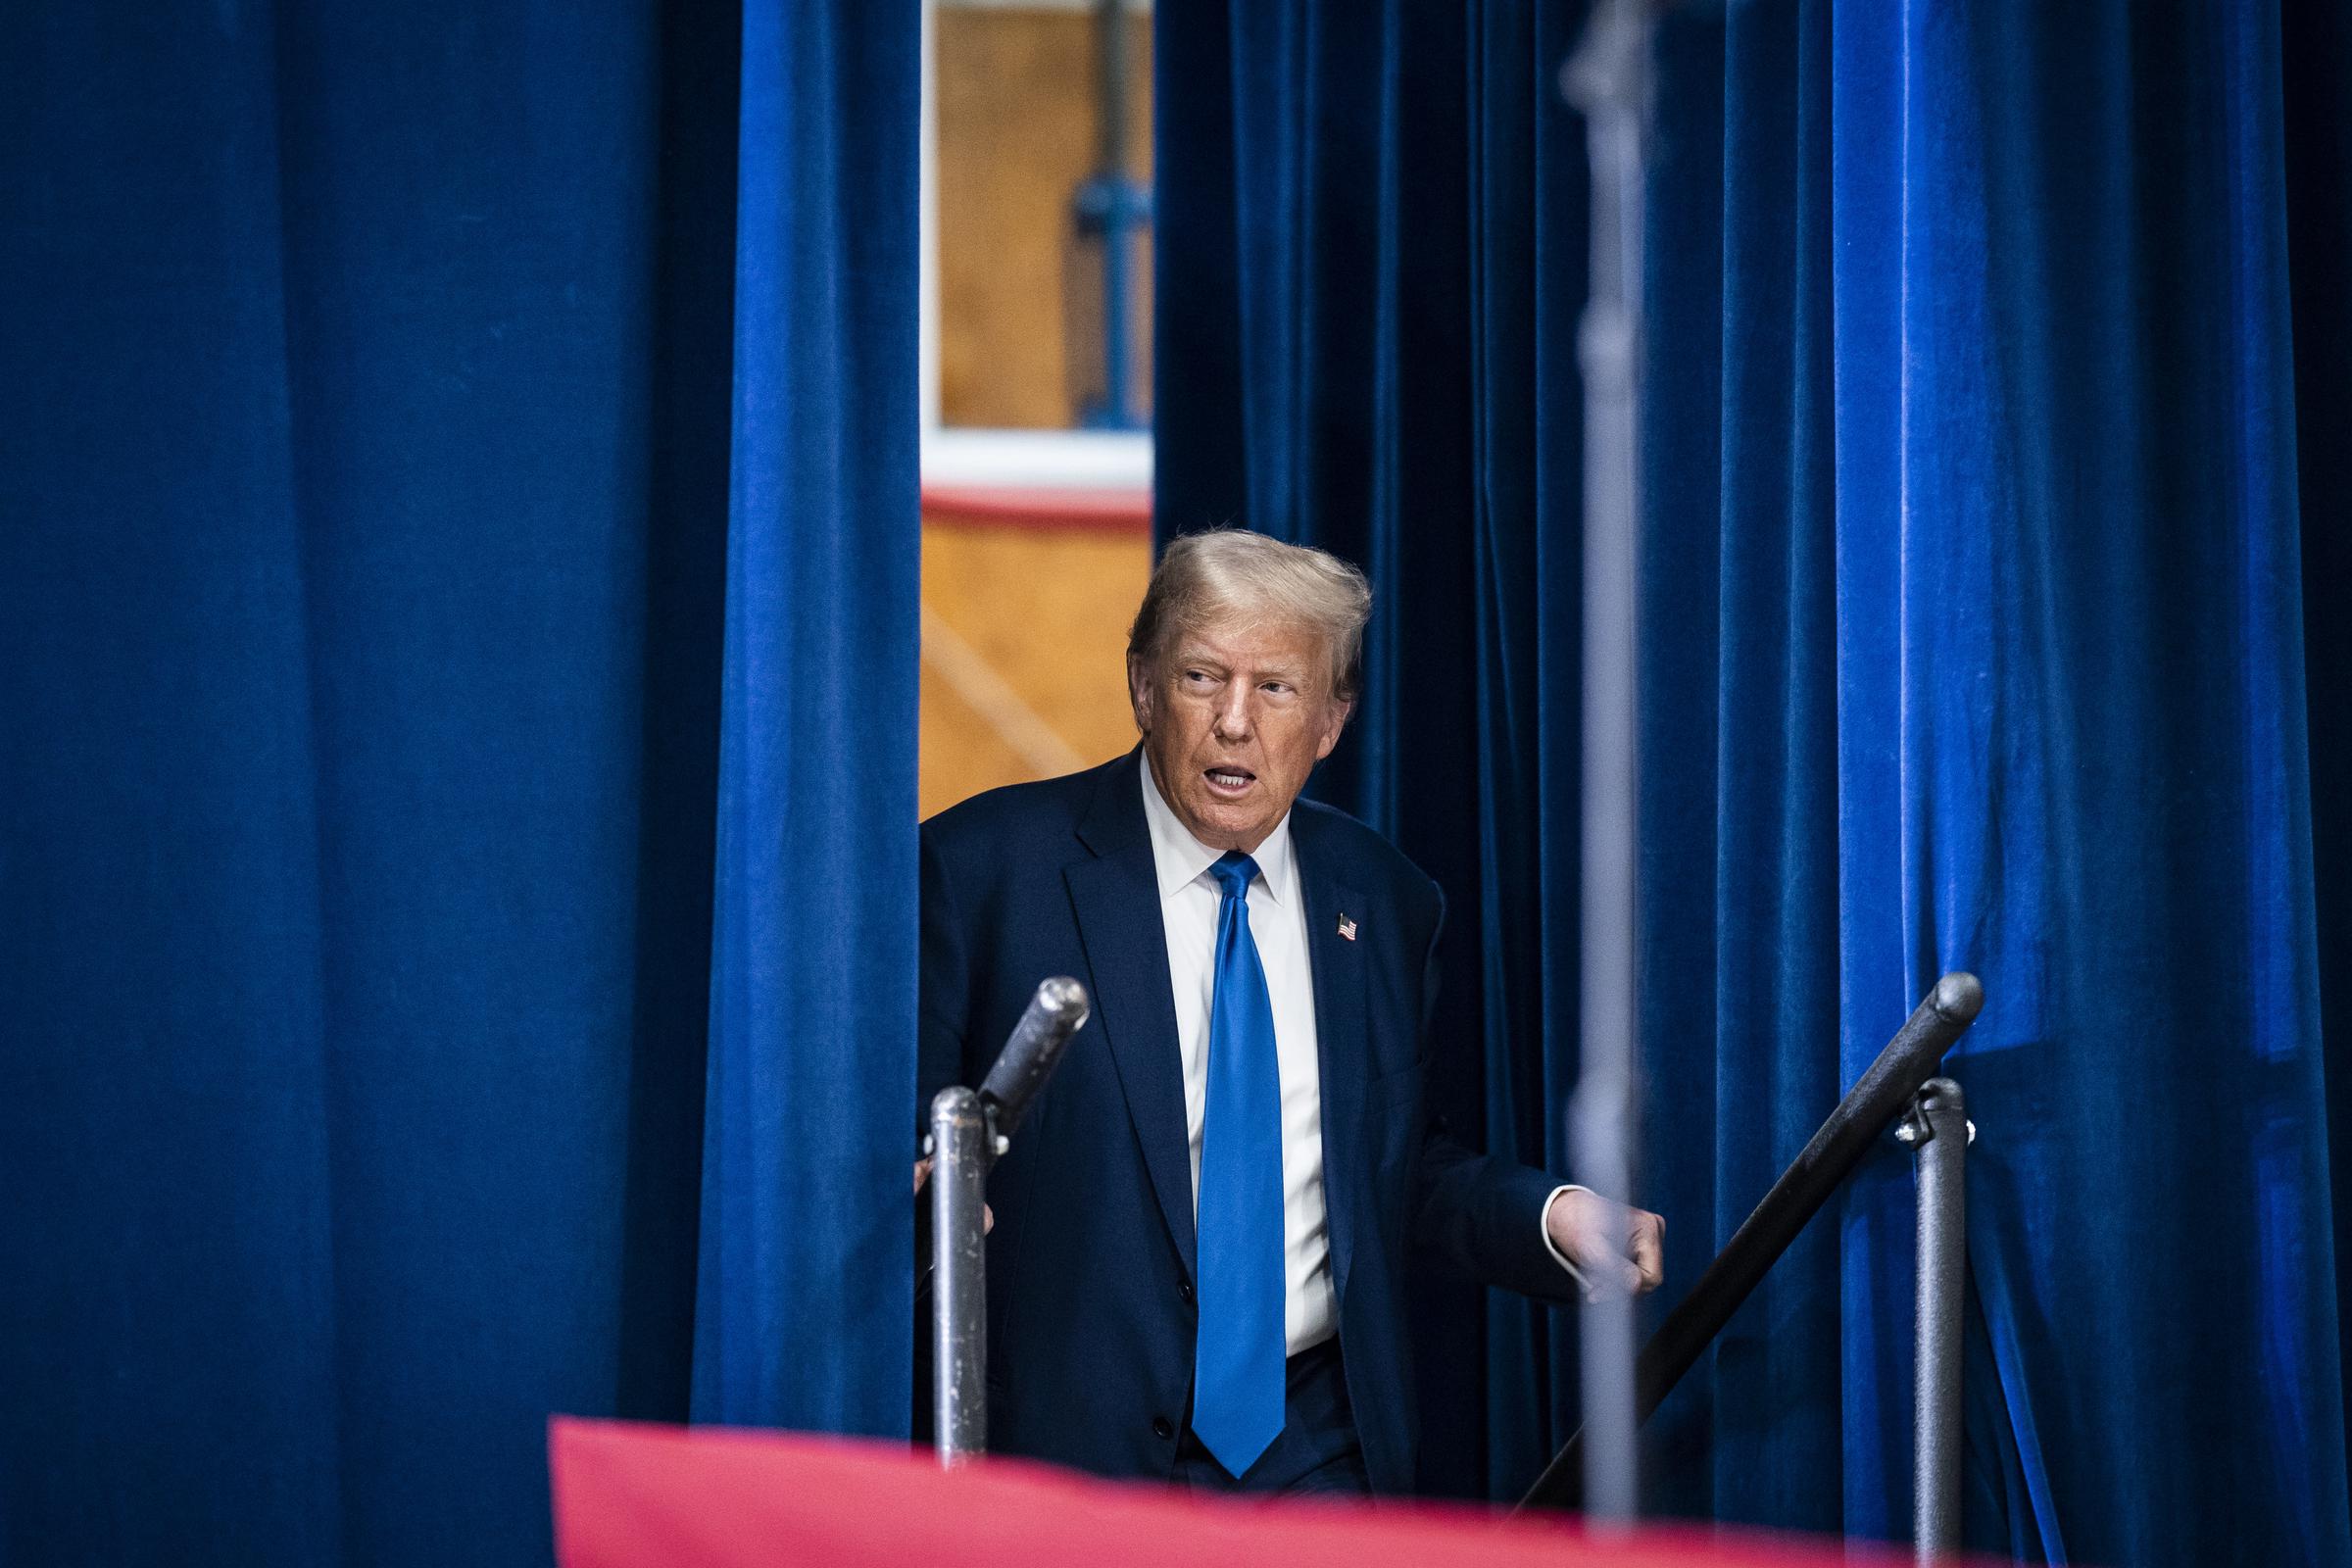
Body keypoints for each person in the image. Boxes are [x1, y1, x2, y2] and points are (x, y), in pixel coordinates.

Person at [916, 529, 1664, 1496]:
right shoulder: (984, 871)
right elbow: (910, 1147)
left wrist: (1550, 1215)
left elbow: (1396, 1168)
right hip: (1073, 1452)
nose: (1235, 721)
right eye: (1200, 677)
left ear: (1331, 720)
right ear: (1142, 686)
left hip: (1315, 1452)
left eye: (1275, 688)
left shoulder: (1387, 899)